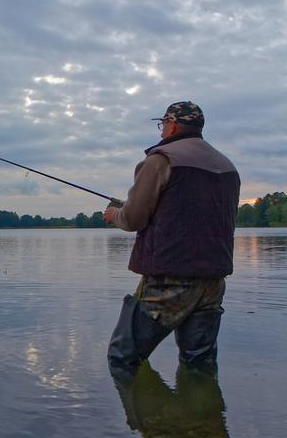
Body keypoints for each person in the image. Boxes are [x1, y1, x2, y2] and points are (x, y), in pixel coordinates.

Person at [103, 101, 240, 381]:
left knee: (122, 357)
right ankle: (202, 420)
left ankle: (154, 422)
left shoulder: (161, 159)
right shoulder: (228, 167)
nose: (162, 130)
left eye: (162, 124)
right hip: (214, 280)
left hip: (169, 278)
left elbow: (132, 219)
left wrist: (114, 213)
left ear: (173, 124)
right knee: (199, 364)